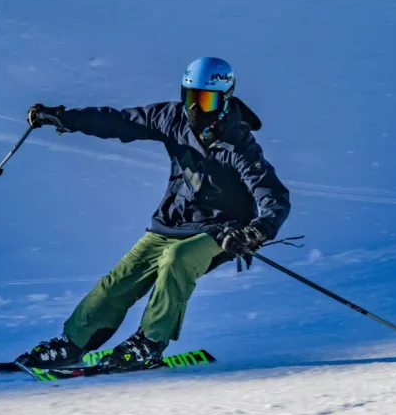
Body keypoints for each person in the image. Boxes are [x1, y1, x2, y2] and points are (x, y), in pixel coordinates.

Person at [15, 57, 291, 370]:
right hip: (172, 223)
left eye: (205, 100)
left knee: (178, 260)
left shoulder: (238, 142)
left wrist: (256, 231)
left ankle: (149, 341)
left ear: (224, 100)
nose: (196, 109)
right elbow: (117, 121)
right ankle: (73, 342)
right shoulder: (170, 118)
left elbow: (272, 193)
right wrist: (63, 118)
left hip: (221, 231)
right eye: (191, 98)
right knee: (118, 281)